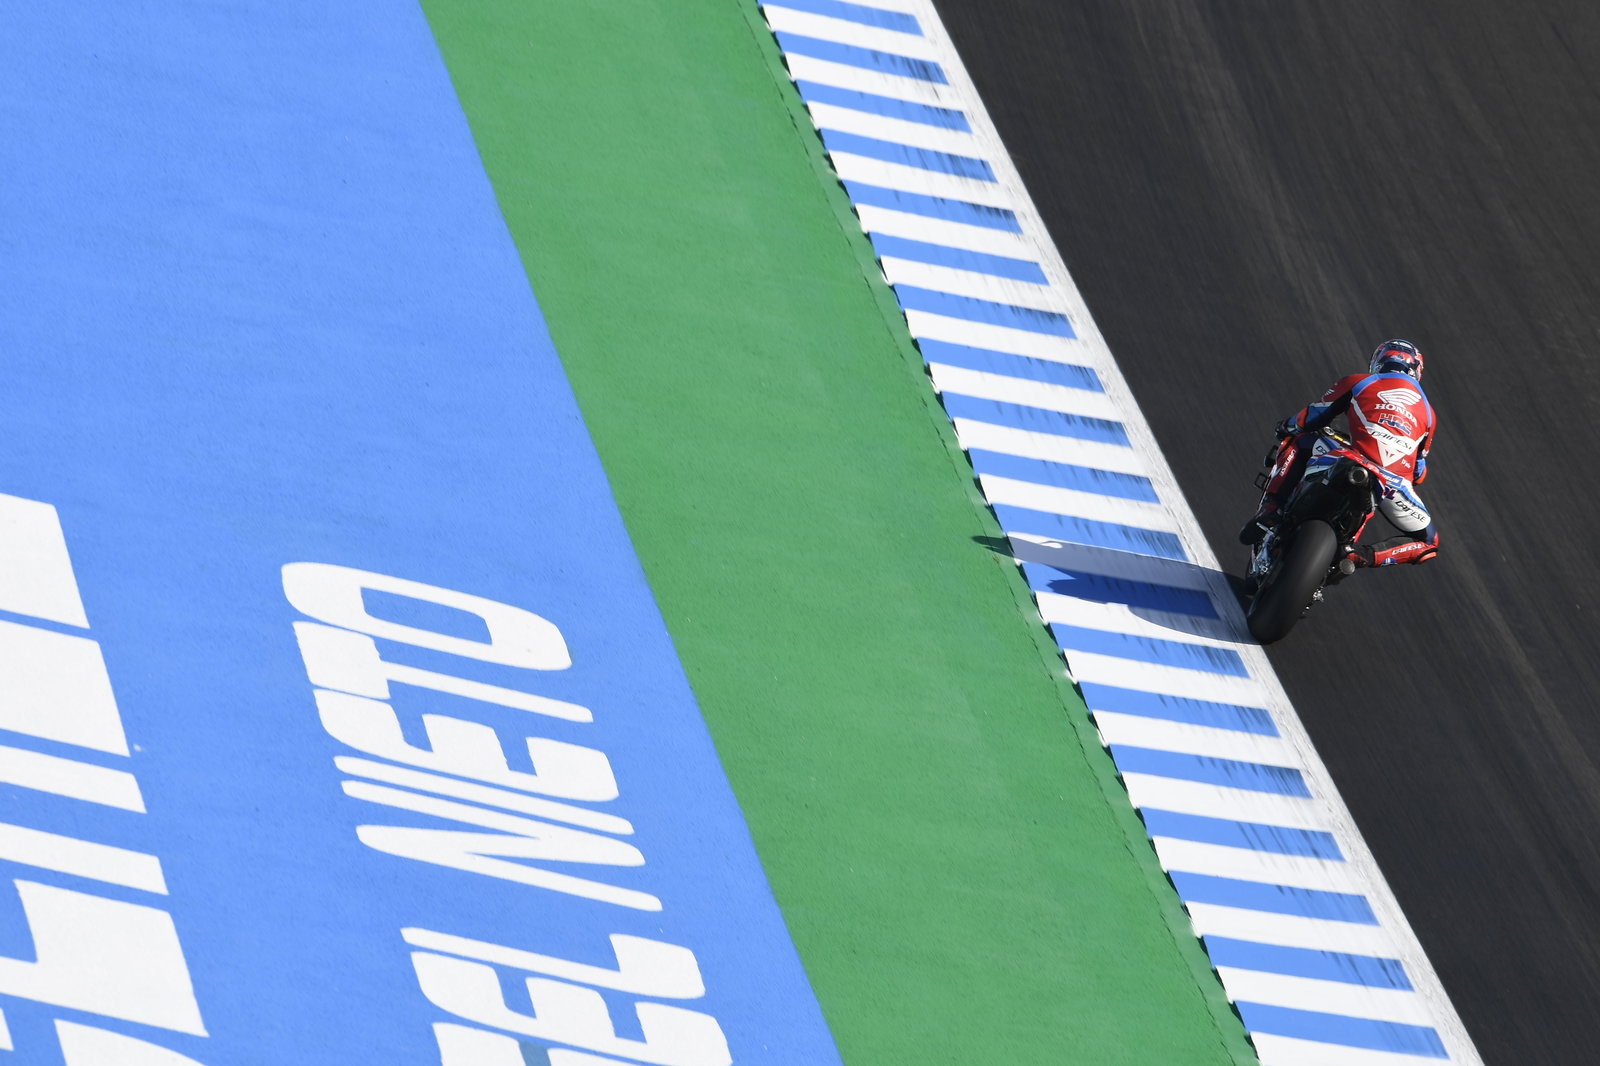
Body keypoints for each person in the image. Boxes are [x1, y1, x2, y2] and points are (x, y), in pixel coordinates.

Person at [1238, 339, 1439, 567]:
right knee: (1429, 542)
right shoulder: (1430, 415)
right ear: (1417, 371)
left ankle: (1271, 508)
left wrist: (1285, 426)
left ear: (1378, 362)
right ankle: (1361, 555)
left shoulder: (1360, 381)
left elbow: (1312, 417)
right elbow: (1419, 473)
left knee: (1299, 439)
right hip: (1392, 484)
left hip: (1352, 458)